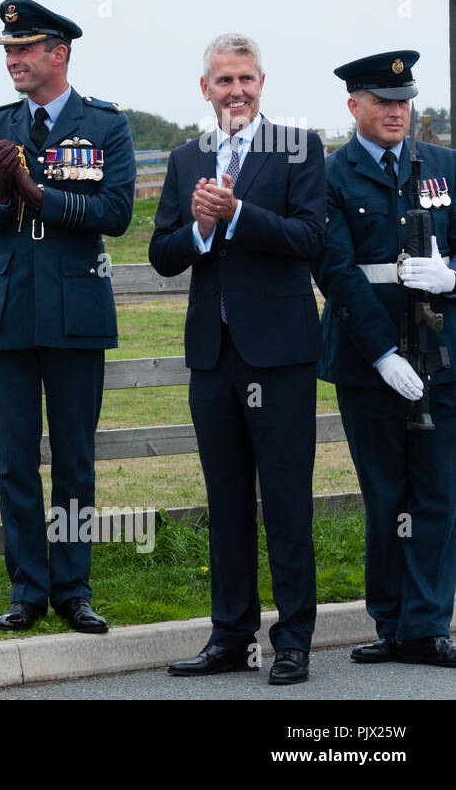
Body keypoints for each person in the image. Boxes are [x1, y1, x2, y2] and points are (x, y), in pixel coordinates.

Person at [149, 34, 325, 685]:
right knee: (225, 502)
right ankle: (230, 634)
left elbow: (309, 238)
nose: (237, 91)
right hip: (214, 356)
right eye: (224, 81)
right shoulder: (184, 158)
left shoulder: (299, 149)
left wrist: (240, 213)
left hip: (279, 356)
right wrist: (199, 228)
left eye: (247, 79)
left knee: (285, 501)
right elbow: (163, 253)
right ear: (205, 89)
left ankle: (294, 640)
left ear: (262, 83)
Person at [0, 0, 135, 635]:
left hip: (76, 311)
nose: (12, 60)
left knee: (74, 459)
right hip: (9, 311)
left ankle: (74, 587)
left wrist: (40, 194)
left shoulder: (106, 124)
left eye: (23, 49)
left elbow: (116, 214)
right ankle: (26, 589)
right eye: (8, 50)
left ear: (58, 53)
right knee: (14, 460)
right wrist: (4, 194)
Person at [318, 50, 456, 668]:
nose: (397, 112)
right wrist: (380, 353)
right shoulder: (329, 176)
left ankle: (428, 626)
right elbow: (336, 272)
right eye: (383, 102)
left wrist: (452, 276)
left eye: (403, 101)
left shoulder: (446, 167)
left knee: (438, 493)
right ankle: (391, 622)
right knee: (385, 496)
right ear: (355, 107)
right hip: (368, 364)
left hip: (443, 358)